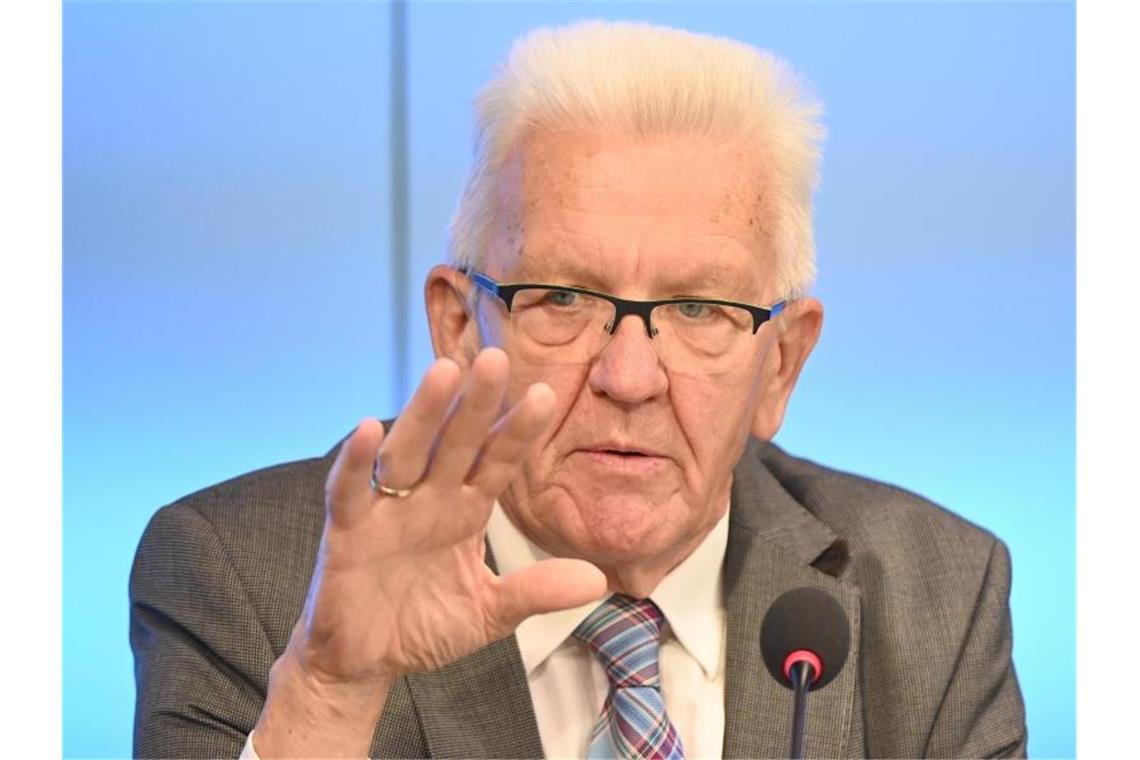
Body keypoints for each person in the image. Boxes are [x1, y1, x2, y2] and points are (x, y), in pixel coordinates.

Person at [130, 20, 1027, 759]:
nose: (628, 379)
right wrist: (330, 695)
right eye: (562, 299)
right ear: (458, 328)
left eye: (700, 309)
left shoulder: (935, 597)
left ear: (782, 364)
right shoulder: (246, 580)